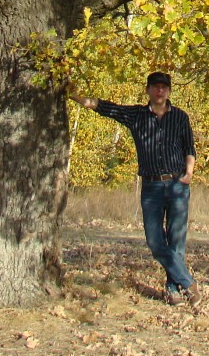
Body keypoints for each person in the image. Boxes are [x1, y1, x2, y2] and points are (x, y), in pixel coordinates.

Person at [69, 71, 202, 305]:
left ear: (169, 91)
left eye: (164, 87)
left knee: (176, 239)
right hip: (151, 185)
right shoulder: (136, 115)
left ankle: (173, 289)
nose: (160, 91)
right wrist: (72, 95)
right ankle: (188, 283)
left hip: (177, 184)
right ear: (148, 90)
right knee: (154, 240)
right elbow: (103, 107)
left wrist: (189, 173)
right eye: (155, 87)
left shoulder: (180, 117)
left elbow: (189, 148)